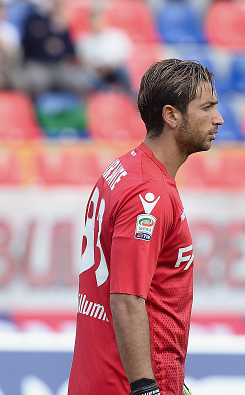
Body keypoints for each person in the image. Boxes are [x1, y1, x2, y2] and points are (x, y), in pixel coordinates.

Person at [68, 59, 224, 395]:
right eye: (207, 107)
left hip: (100, 377)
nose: (218, 118)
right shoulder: (148, 193)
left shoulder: (125, 169)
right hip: (124, 385)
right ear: (171, 116)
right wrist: (145, 386)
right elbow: (126, 298)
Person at [11, 0, 89, 98]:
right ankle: (34, 112)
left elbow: (71, 51)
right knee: (37, 83)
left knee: (79, 84)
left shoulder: (62, 23)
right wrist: (48, 37)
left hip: (58, 66)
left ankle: (81, 112)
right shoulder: (33, 19)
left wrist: (62, 30)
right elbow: (27, 43)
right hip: (37, 64)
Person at [76, 4, 134, 95]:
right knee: (83, 76)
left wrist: (110, 65)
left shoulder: (117, 36)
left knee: (123, 69)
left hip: (114, 70)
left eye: (98, 18)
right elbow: (84, 60)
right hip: (96, 74)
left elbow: (125, 55)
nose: (96, 22)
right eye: (93, 19)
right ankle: (104, 90)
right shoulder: (84, 40)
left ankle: (129, 94)